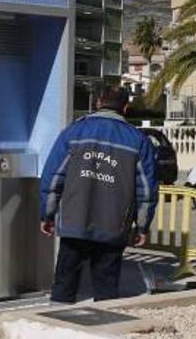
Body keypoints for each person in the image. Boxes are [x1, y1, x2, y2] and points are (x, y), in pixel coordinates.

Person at [39, 86, 157, 304]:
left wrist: (47, 214)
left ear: (98, 102)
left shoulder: (73, 132)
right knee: (106, 287)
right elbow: (146, 190)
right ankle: (103, 327)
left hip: (73, 222)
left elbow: (53, 177)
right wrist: (142, 226)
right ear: (125, 107)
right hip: (114, 226)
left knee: (64, 282)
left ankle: (56, 325)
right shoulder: (138, 140)